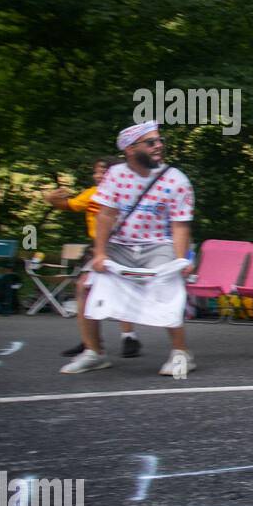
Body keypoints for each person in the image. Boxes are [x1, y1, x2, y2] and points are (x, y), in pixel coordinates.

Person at [61, 122, 195, 376]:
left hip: (157, 244)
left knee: (169, 285)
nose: (159, 146)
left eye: (160, 141)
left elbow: (180, 225)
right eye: (151, 142)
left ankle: (181, 353)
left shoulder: (176, 180)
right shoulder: (115, 175)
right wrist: (100, 253)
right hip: (120, 244)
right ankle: (94, 353)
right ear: (131, 150)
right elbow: (106, 216)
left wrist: (181, 260)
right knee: (85, 286)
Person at [45, 156, 142, 358]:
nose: (97, 175)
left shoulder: (130, 193)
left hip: (122, 247)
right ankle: (90, 342)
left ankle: (128, 337)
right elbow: (69, 205)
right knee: (84, 288)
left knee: (120, 291)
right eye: (96, 172)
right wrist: (54, 200)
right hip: (98, 248)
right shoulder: (92, 193)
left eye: (102, 172)